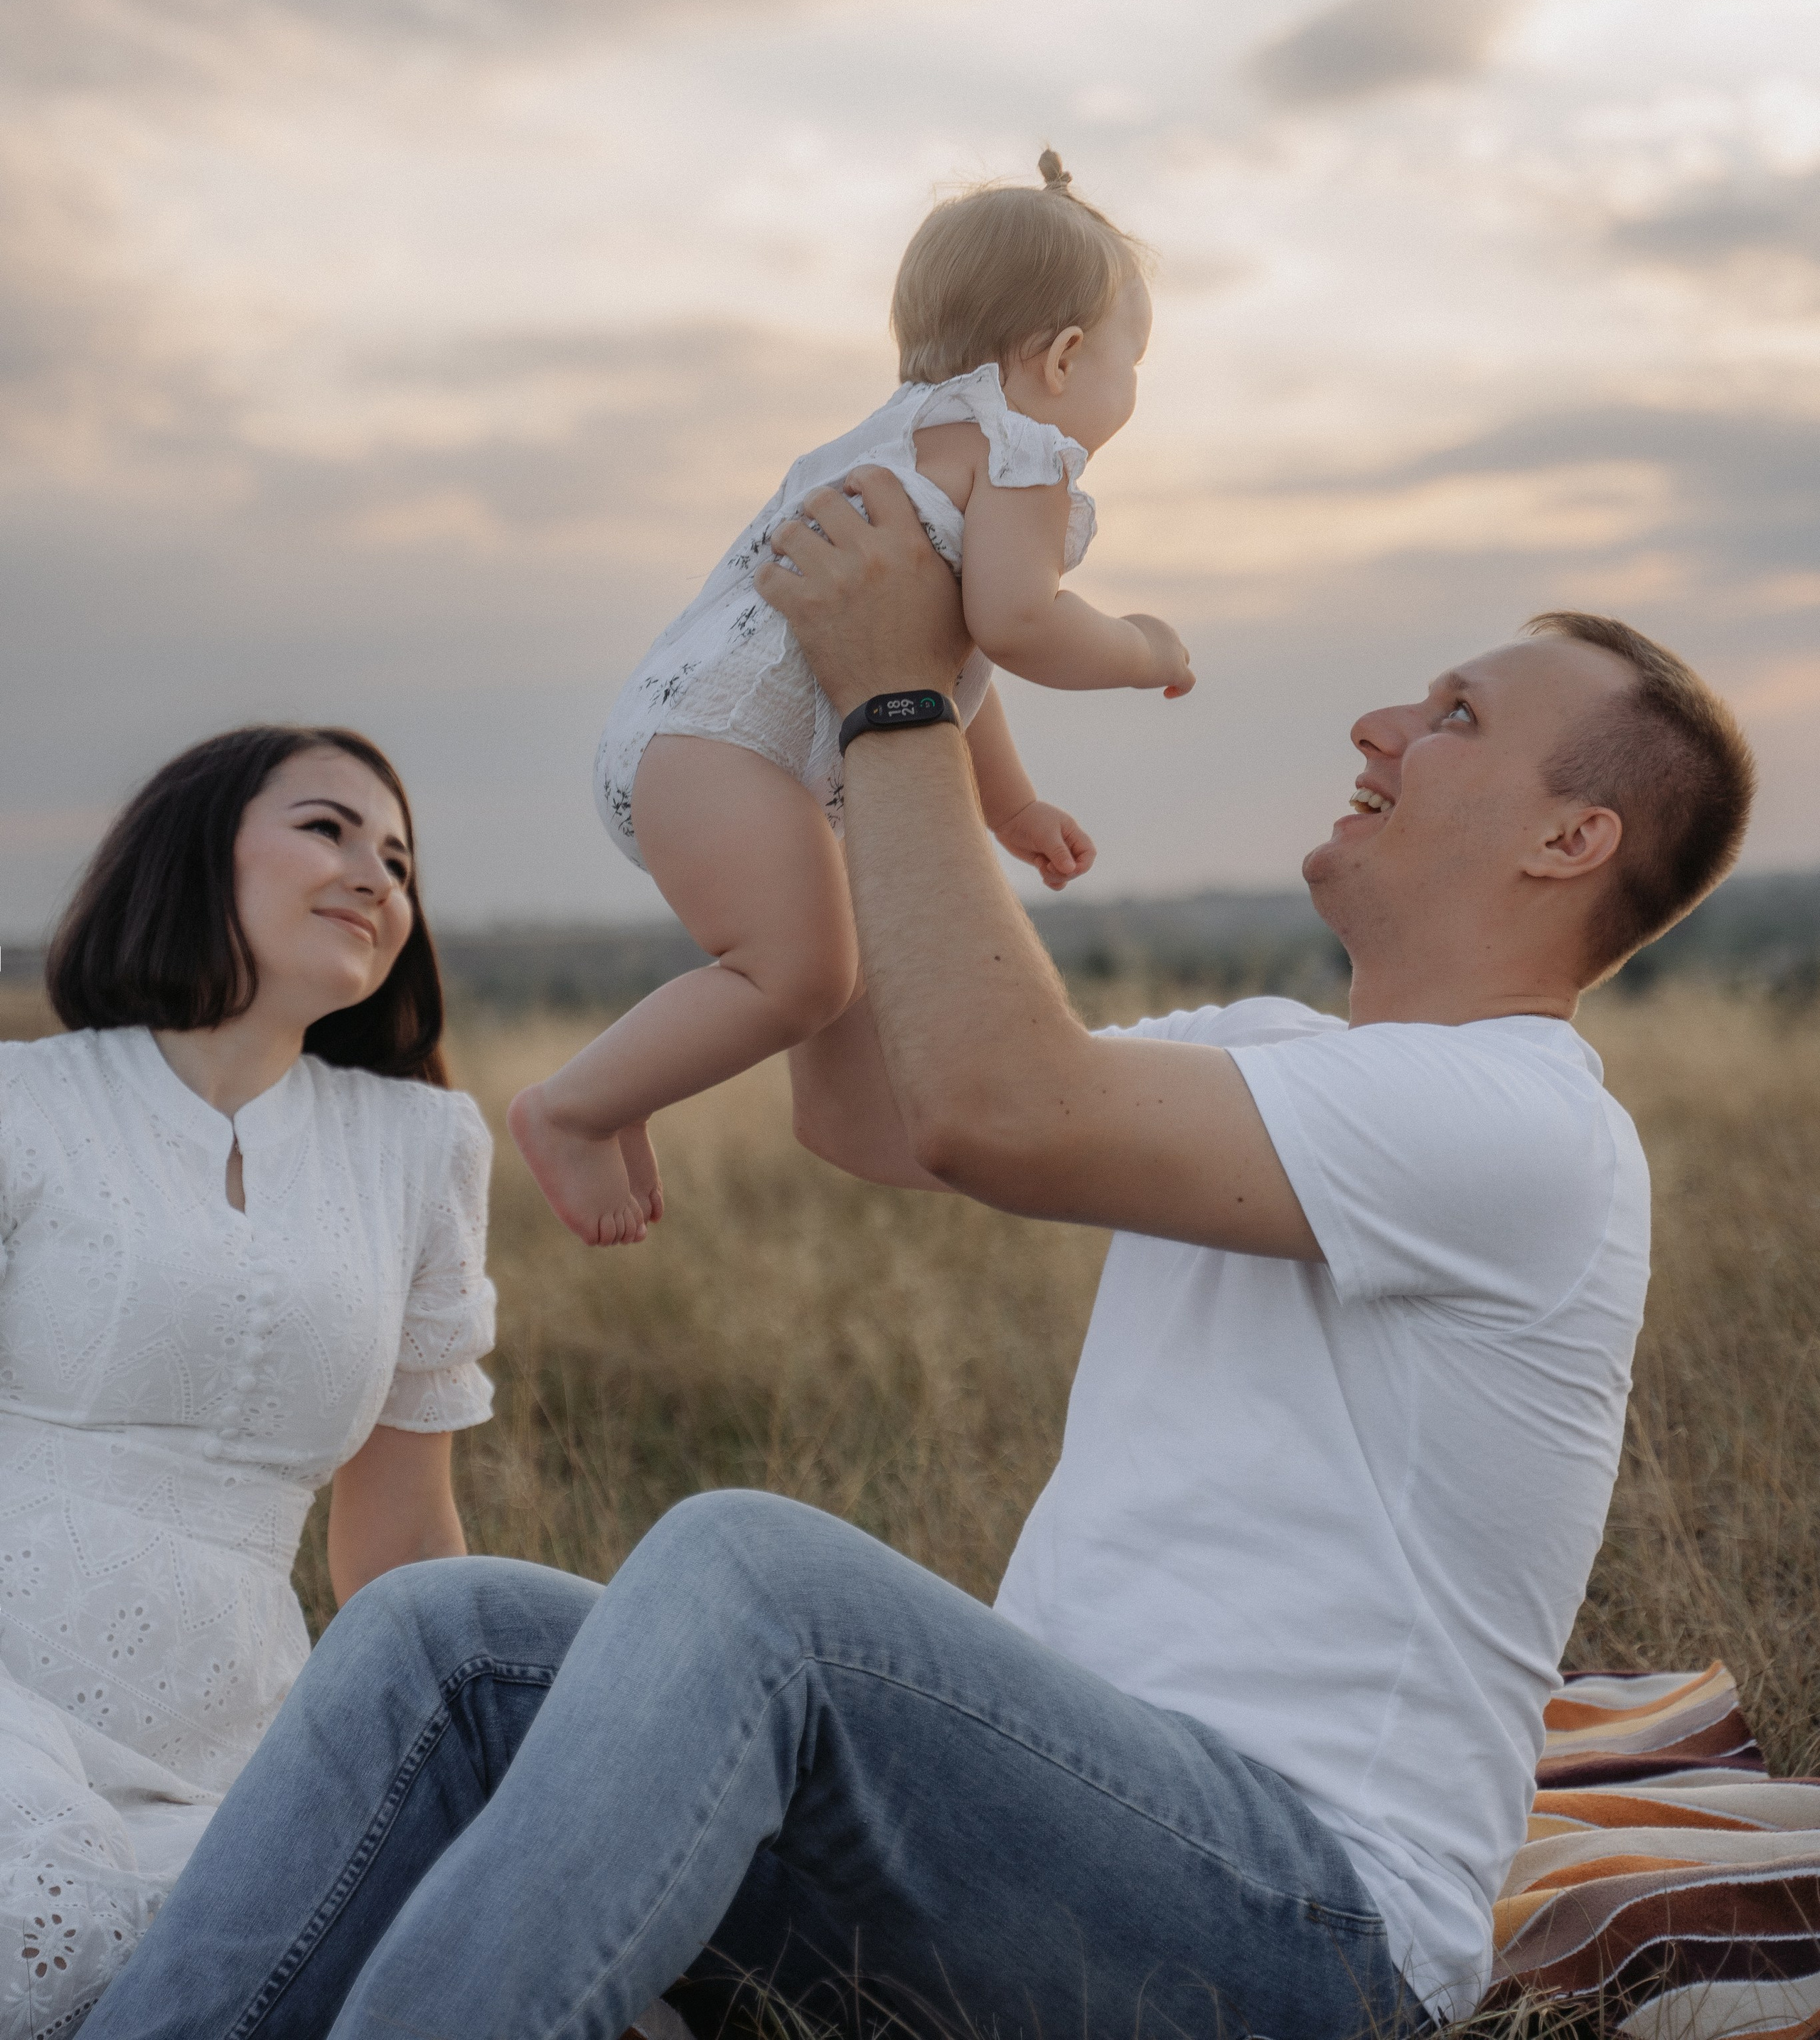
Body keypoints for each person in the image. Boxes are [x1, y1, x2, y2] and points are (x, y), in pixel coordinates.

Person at [79, 487, 1755, 2040]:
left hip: (1300, 1929)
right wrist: (860, 703)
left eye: (1455, 714)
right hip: (1048, 1841)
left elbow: (997, 1109)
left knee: (752, 1573)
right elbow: (882, 1107)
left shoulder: (1524, 1131)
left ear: (1569, 842)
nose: (1378, 724)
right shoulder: (1276, 1054)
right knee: (440, 1639)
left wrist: (896, 707)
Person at [508, 151, 1194, 1246]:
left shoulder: (898, 434)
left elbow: (945, 666)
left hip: (683, 740)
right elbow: (1019, 629)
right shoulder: (1023, 454)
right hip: (732, 750)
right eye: (1135, 359)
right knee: (800, 976)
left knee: (819, 974)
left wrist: (1008, 809)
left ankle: (621, 1096)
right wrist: (1143, 645)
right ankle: (571, 1105)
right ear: (1065, 358)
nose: (1131, 387)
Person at [0, 727, 496, 2034]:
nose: (376, 874)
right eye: (328, 829)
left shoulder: (421, 1146)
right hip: (6, 1688)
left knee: (479, 1962)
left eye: (398, 858)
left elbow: (401, 1540)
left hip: (239, 1739)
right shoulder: (21, 1105)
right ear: (194, 847)